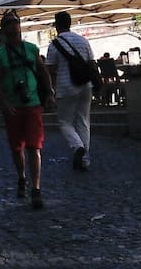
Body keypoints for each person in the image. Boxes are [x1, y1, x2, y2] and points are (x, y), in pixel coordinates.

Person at [0, 11, 54, 209]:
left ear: (19, 26)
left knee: (34, 146)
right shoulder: (0, 54)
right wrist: (2, 101)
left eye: (14, 23)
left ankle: (36, 189)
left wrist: (50, 92)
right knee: (16, 147)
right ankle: (21, 176)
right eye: (8, 23)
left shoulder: (31, 49)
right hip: (13, 106)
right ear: (4, 29)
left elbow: (43, 71)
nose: (12, 27)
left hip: (32, 103)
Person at [45, 11, 95, 171]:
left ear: (57, 25)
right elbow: (92, 64)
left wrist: (50, 90)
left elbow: (50, 70)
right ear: (70, 23)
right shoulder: (83, 41)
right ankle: (85, 160)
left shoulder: (54, 45)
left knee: (65, 122)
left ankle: (77, 146)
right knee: (83, 121)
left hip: (66, 87)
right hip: (86, 86)